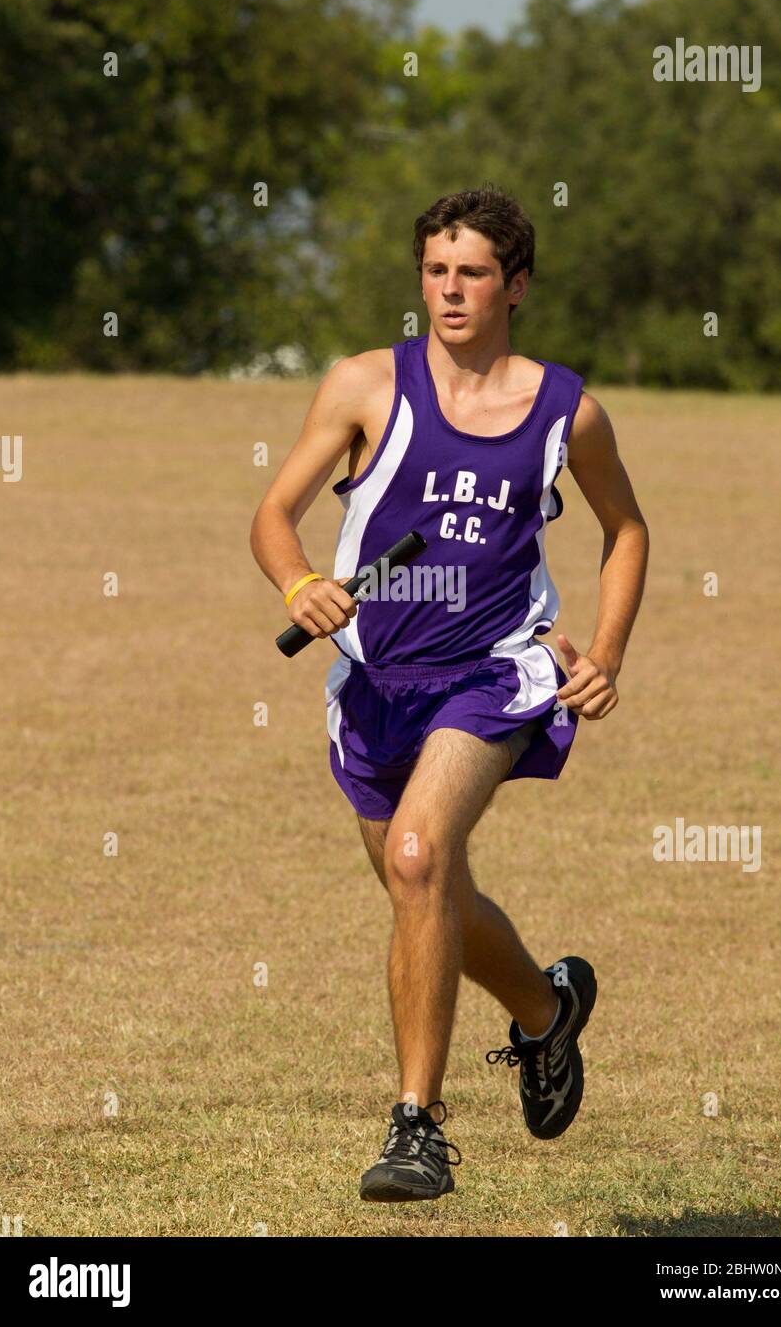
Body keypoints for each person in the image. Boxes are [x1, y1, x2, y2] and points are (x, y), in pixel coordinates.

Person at [250, 185, 649, 1202]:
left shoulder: (566, 409)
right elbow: (271, 514)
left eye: (470, 272)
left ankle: (415, 1126)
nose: (449, 290)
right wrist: (302, 581)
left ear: (514, 285)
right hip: (375, 679)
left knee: (421, 854)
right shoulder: (363, 387)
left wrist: (601, 649)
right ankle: (545, 1011)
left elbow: (625, 530)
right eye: (434, 271)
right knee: (420, 889)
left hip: (495, 671)